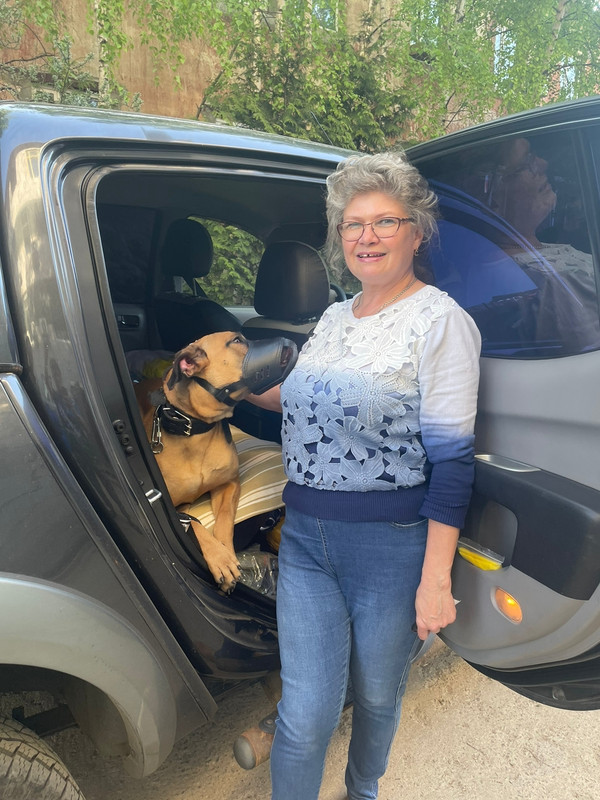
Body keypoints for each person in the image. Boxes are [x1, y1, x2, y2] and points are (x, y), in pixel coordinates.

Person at [249, 152, 481, 800]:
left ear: (417, 232)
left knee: (378, 695)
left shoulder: (441, 324)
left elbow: (453, 464)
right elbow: (304, 400)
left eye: (384, 221)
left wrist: (436, 581)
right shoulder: (332, 317)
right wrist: (228, 385)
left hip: (391, 551)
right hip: (304, 543)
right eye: (352, 224)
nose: (366, 237)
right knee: (305, 715)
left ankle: (363, 790)